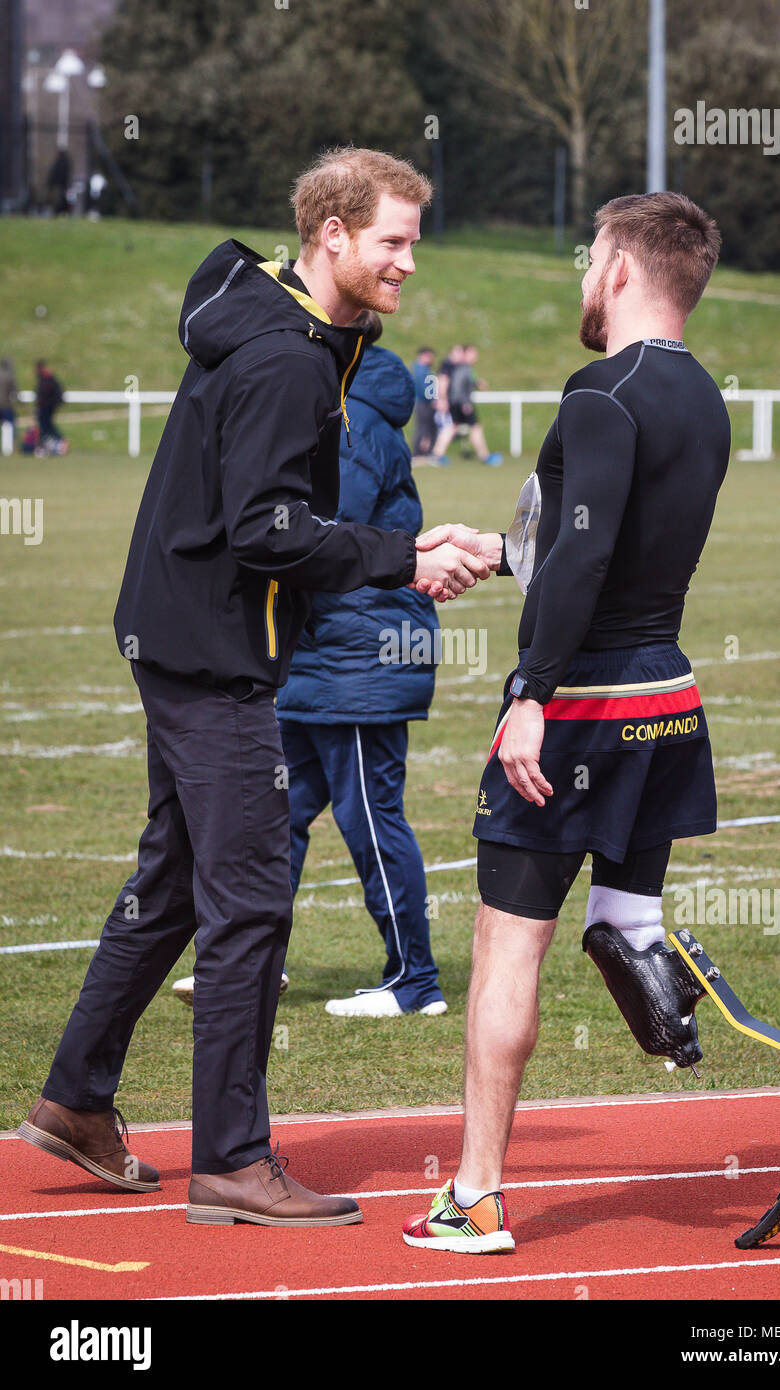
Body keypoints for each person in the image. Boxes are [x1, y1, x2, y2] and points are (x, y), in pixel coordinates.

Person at [18, 147, 489, 1231]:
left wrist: (402, 544)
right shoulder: (283, 355)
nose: (408, 263)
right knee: (251, 902)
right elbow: (267, 528)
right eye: (393, 241)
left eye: (411, 241)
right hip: (214, 658)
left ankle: (75, 1098)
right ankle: (232, 1160)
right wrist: (403, 559)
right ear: (332, 236)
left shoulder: (275, 324)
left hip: (179, 635)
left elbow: (271, 516)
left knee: (176, 883)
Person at [402, 191, 731, 1253]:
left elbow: (585, 557)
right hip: (663, 699)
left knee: (505, 947)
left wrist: (528, 695)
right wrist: (492, 549)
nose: (582, 274)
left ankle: (478, 1198)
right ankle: (644, 961)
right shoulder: (705, 399)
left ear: (624, 268)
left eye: (589, 255)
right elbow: (588, 542)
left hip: (581, 702)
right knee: (612, 917)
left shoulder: (601, 389)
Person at [277, 311, 446, 1018]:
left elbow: (324, 540)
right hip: (324, 651)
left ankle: (415, 981)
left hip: (358, 650)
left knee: (371, 817)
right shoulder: (340, 409)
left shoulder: (353, 423)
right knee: (272, 811)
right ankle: (253, 963)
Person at [432, 343, 503, 467]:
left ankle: (437, 455)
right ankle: (485, 456)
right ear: (466, 354)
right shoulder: (463, 367)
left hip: (457, 401)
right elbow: (458, 386)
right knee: (475, 427)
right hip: (462, 402)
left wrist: (477, 384)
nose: (475, 356)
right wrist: (465, 402)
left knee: (452, 427)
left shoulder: (462, 367)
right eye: (473, 353)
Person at [411, 345, 438, 458]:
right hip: (422, 402)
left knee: (431, 427)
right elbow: (423, 387)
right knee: (422, 427)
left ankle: (429, 450)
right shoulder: (419, 369)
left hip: (426, 401)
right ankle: (417, 452)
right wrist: (431, 398)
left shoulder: (426, 368)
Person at [35, 361, 67, 455]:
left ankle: (59, 442)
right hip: (47, 407)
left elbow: (45, 394)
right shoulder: (47, 378)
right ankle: (51, 446)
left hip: (47, 407)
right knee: (46, 426)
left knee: (46, 426)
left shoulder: (47, 378)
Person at [0, 358, 18, 443]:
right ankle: (13, 443)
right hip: (6, 405)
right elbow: (14, 392)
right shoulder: (9, 377)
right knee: (11, 425)